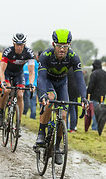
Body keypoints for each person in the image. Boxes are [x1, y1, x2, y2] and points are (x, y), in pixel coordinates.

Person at [35, 29, 87, 165]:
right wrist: (43, 94)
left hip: (62, 83)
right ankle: (41, 132)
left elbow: (80, 78)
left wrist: (84, 97)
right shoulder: (46, 56)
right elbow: (40, 77)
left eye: (65, 46)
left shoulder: (73, 57)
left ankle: (57, 147)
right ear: (53, 44)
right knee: (50, 98)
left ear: (69, 45)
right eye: (59, 46)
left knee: (63, 115)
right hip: (48, 82)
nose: (62, 49)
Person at [0, 33, 35, 136]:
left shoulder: (29, 53)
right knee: (7, 90)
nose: (19, 47)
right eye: (17, 45)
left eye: (21, 45)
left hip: (19, 74)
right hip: (7, 73)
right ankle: (1, 112)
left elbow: (31, 72)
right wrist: (3, 81)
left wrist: (31, 83)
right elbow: (2, 69)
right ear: (13, 43)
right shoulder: (8, 51)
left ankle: (18, 124)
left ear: (24, 44)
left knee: (20, 95)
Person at [87, 59, 106, 131]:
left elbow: (91, 86)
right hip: (102, 96)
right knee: (100, 112)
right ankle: (99, 127)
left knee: (94, 113)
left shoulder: (94, 73)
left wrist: (88, 94)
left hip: (94, 97)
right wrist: (104, 93)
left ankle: (95, 128)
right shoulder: (105, 74)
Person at [22, 51, 40, 119]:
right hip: (36, 84)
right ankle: (33, 115)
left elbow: (24, 73)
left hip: (27, 84)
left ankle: (25, 112)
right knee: (34, 100)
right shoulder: (38, 64)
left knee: (28, 100)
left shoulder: (27, 64)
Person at [66, 67, 80, 133]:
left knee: (65, 109)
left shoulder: (66, 69)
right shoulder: (76, 69)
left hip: (68, 91)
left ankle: (66, 127)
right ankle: (72, 128)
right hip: (75, 91)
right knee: (73, 109)